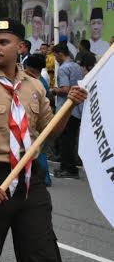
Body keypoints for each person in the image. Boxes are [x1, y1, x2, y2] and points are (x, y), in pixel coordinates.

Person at [0, 18, 87, 262]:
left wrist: (70, 105)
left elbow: (51, 131)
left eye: (4, 42)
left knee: (40, 259)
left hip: (30, 181)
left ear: (19, 46)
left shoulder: (34, 86)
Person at [50, 43, 85, 179]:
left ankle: (68, 168)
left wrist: (54, 90)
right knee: (71, 139)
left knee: (65, 140)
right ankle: (70, 166)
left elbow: (65, 89)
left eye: (55, 55)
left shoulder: (64, 68)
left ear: (60, 54)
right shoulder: (77, 66)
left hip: (67, 109)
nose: (55, 58)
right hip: (78, 108)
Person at [23, 53, 53, 187]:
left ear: (27, 67)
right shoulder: (43, 81)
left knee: (38, 151)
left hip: (38, 122)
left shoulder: (36, 84)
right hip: (40, 121)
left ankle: (44, 178)